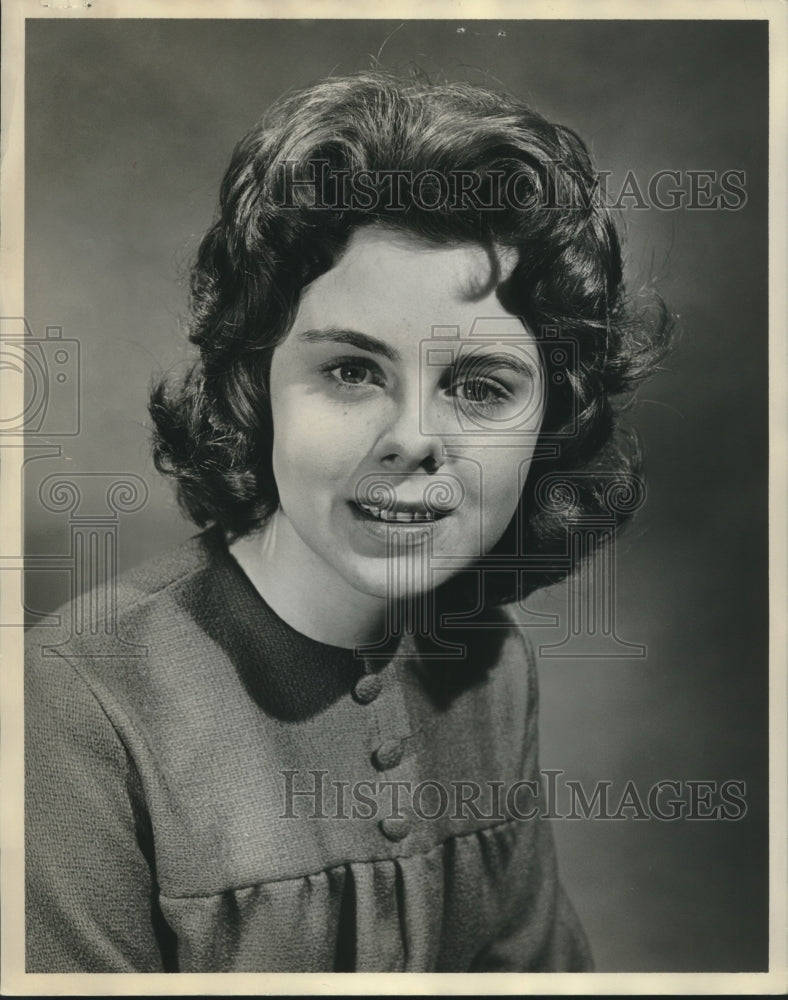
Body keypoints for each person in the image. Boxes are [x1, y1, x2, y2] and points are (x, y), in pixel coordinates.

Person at [24, 71, 670, 972]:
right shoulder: (72, 706)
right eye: (352, 372)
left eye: (481, 387)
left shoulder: (489, 663)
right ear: (256, 389)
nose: (412, 439)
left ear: (548, 428)